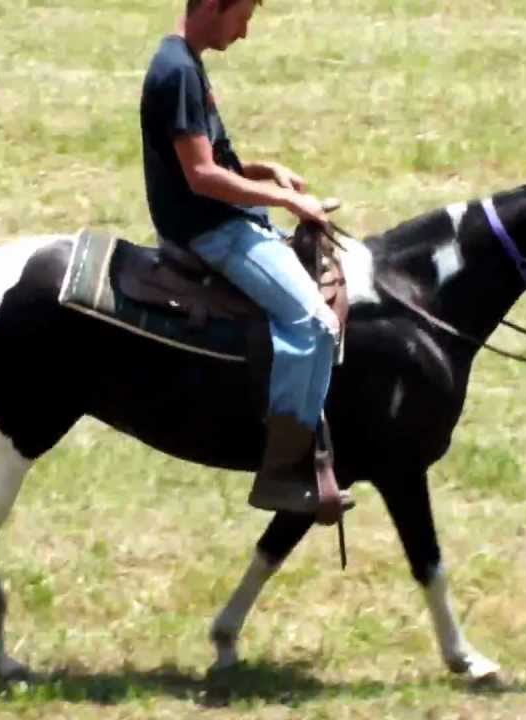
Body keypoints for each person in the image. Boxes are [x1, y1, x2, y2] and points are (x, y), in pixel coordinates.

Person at [139, 0, 352, 515]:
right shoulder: (177, 72)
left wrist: (265, 171)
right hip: (212, 233)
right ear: (213, 5)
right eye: (244, 16)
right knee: (316, 323)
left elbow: (214, 159)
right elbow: (201, 177)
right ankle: (279, 473)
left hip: (225, 221)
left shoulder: (187, 61)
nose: (246, 31)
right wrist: (286, 201)